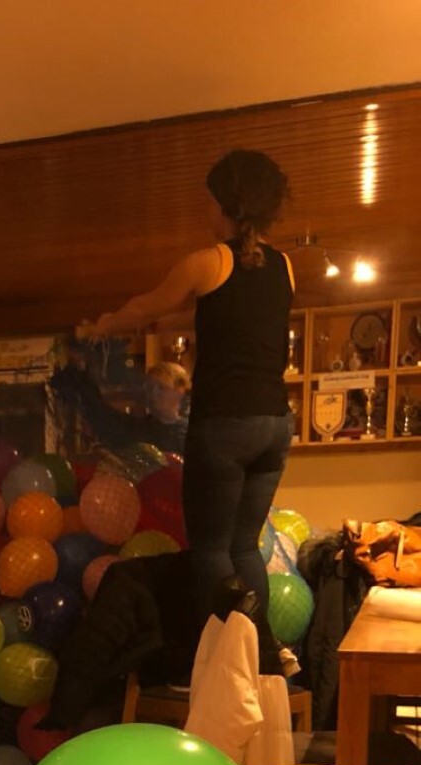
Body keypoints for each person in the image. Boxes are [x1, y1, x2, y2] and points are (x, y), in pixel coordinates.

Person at [92, 149, 294, 673]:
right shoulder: (285, 266)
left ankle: (223, 665)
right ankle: (262, 659)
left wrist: (105, 324)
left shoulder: (209, 262)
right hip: (275, 424)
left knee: (210, 550)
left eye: (208, 200)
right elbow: (240, 319)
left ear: (226, 203)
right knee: (244, 547)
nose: (205, 210)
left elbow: (149, 305)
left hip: (225, 424)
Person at [52, 356, 190, 456]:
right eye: (149, 389)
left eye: (161, 388)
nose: (153, 394)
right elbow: (103, 416)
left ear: (179, 391)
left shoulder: (190, 434)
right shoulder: (137, 429)